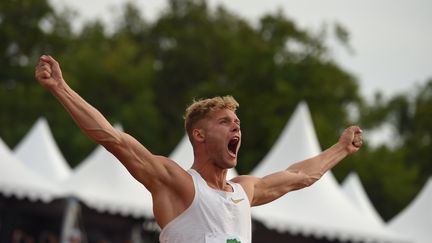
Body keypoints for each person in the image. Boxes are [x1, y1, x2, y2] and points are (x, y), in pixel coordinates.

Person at [35, 55, 363, 243]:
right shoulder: (177, 184)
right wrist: (61, 88)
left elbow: (299, 175)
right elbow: (111, 138)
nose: (236, 127)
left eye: (237, 123)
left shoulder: (243, 191)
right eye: (225, 122)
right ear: (199, 135)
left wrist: (340, 148)